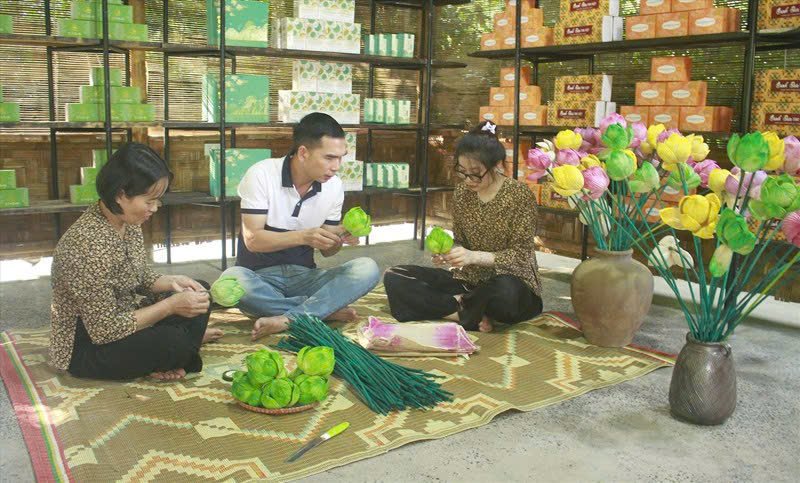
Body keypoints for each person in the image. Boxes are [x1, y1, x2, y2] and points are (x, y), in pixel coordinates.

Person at [49, 143, 223, 381]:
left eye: (158, 200)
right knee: (172, 341)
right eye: (150, 200)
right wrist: (170, 307)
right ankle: (181, 350)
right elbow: (104, 330)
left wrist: (173, 281)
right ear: (121, 195)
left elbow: (138, 275)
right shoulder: (86, 246)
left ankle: (179, 351)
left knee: (199, 289)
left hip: (127, 317)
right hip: (90, 346)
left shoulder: (126, 221)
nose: (155, 208)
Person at [218, 112, 380, 340]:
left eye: (340, 158)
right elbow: (253, 240)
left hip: (305, 277)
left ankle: (289, 317)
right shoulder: (262, 174)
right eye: (329, 158)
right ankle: (319, 311)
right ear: (303, 152)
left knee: (367, 267)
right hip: (259, 278)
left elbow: (327, 252)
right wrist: (304, 237)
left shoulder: (334, 186)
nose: (336, 167)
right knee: (232, 280)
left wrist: (338, 239)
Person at [384, 121, 543, 332]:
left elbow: (521, 256)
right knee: (395, 275)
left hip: (512, 284)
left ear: (496, 165)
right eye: (462, 171)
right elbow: (460, 240)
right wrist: (451, 252)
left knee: (506, 294)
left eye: (475, 172)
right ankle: (461, 311)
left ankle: (457, 306)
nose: (468, 179)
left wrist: (473, 256)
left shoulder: (519, 195)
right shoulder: (461, 193)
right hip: (469, 281)